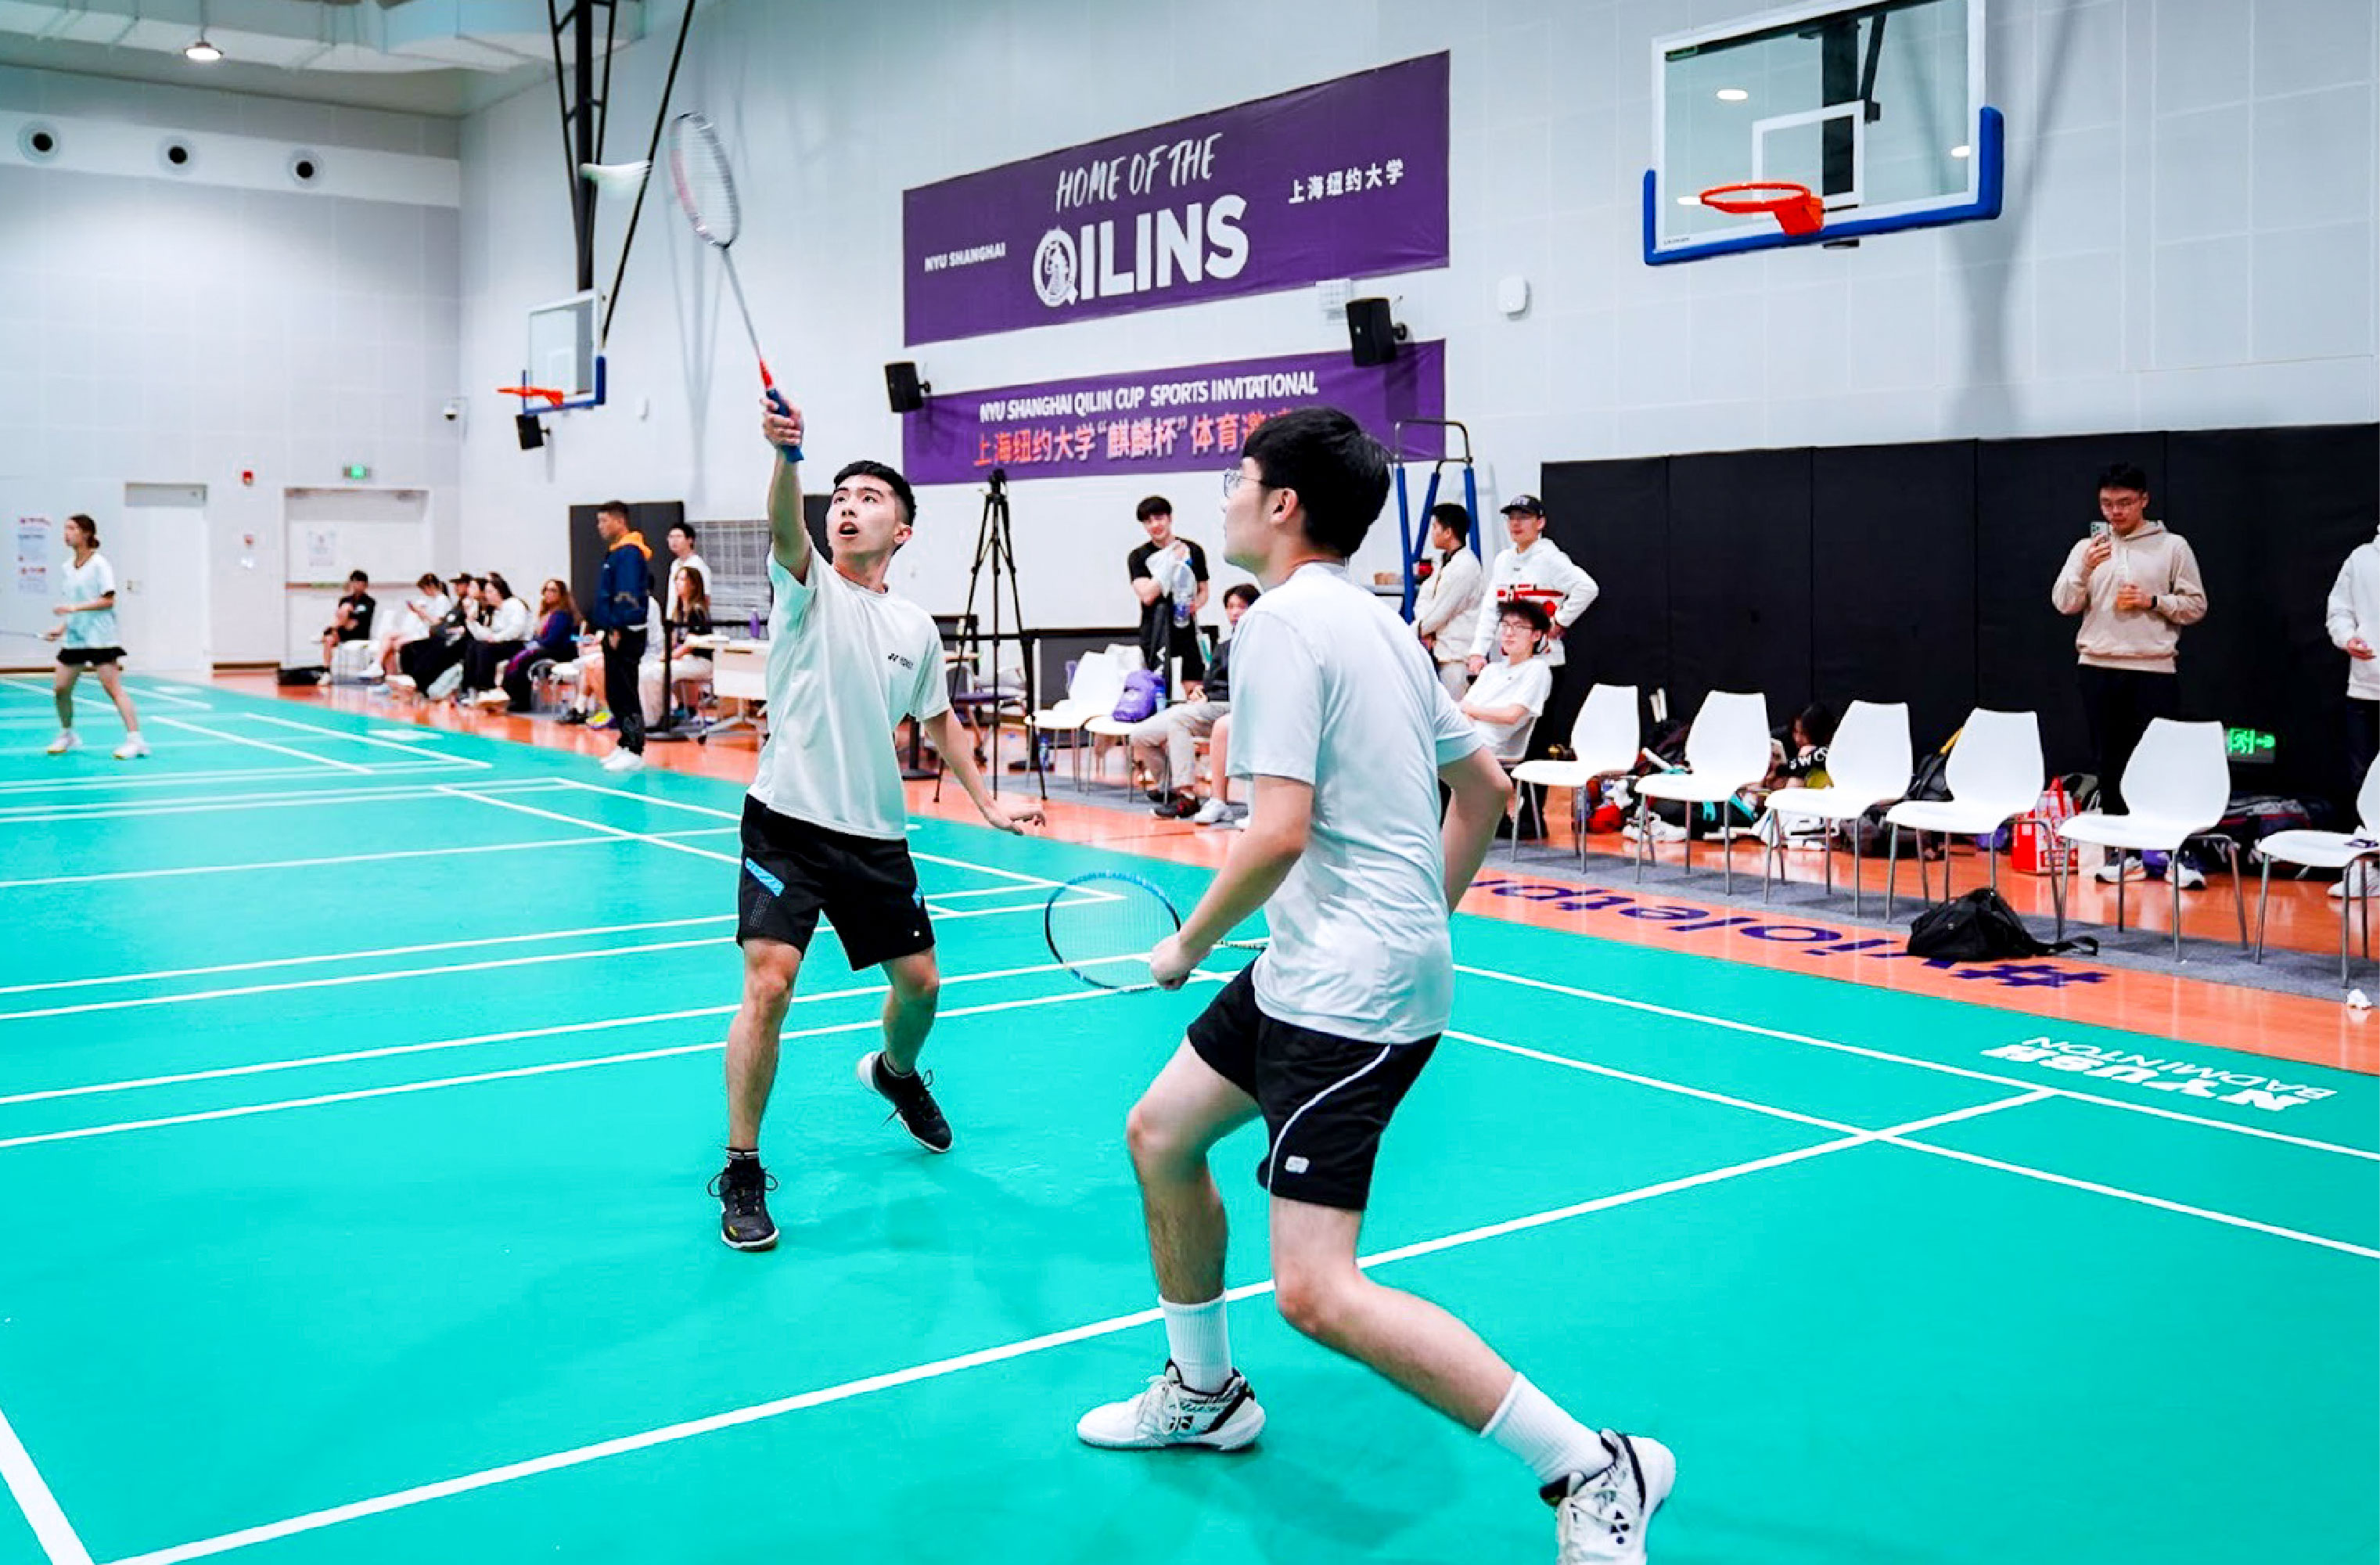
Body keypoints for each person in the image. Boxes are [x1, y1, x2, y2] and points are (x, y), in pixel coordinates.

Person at [1073, 408, 1671, 1564]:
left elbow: (1276, 831)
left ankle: (1595, 1467)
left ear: (1283, 503)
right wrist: (1414, 918)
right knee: (1161, 1133)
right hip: (1317, 965)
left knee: (1315, 1291)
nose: (1226, 496)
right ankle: (1204, 1393)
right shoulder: (1384, 628)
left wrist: (1185, 944)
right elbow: (1487, 791)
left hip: (1345, 997)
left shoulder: (1281, 625)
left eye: (1239, 478)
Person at [712, 395, 1044, 1254]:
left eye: (868, 497)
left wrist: (988, 802)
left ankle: (896, 1074)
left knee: (922, 986)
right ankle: (743, 1166)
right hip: (786, 823)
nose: (847, 506)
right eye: (840, 496)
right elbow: (785, 526)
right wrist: (787, 457)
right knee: (771, 984)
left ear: (902, 530)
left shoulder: (914, 626)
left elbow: (941, 721)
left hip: (874, 837)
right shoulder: (807, 586)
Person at [2051, 462, 2208, 887]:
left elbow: (2196, 605)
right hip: (2097, 666)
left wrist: (2154, 600)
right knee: (2111, 764)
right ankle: (2125, 855)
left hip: (2153, 667)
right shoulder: (2088, 547)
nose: (2115, 512)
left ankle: (2174, 855)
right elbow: (2063, 603)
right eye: (2107, 504)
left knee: (2162, 763)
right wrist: (2084, 568)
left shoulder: (2172, 546)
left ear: (2144, 500)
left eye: (2124, 503)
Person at [1133, 582, 1258, 819]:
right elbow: (1210, 683)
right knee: (1140, 735)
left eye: (1242, 607)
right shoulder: (1223, 647)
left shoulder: (1260, 645)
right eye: (1230, 606)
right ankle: (1169, 788)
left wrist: (1210, 697)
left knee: (1180, 720)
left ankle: (1187, 797)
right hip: (1209, 706)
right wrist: (1199, 692)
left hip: (1233, 707)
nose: (1235, 612)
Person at [41, 513, 146, 759]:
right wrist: (61, 628)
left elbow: (108, 600)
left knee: (112, 688)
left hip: (100, 638)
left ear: (86, 533)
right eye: (65, 529)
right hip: (75, 637)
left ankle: (136, 740)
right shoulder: (67, 567)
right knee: (61, 689)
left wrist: (73, 609)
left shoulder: (100, 564)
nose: (66, 534)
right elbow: (74, 603)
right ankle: (68, 734)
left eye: (72, 529)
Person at [1466, 495, 1598, 678]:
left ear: (1540, 523)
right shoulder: (1503, 560)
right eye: (1511, 518)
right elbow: (1491, 609)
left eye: (1524, 517)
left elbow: (1587, 588)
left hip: (1545, 661)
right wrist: (1478, 651)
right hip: (1510, 661)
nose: (1516, 523)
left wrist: (1560, 621)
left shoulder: (1550, 558)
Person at [2324, 523, 2380, 898]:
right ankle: (2370, 866)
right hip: (2366, 688)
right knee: (2364, 782)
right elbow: (2339, 611)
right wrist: (2348, 638)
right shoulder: (2361, 559)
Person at [586, 503, 653, 772]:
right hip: (613, 631)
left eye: (604, 521)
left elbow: (626, 594)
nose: (600, 527)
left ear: (619, 521)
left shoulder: (630, 553)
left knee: (626, 691)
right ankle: (625, 743)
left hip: (625, 633)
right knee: (615, 692)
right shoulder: (616, 552)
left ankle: (635, 749)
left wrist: (617, 628)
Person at [1128, 495, 1209, 694]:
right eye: (1148, 521)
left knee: (1195, 689)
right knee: (1157, 689)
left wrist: (1195, 605)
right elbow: (1147, 595)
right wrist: (1171, 562)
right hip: (1155, 631)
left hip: (1186, 629)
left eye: (1159, 518)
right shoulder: (1138, 556)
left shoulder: (1193, 550)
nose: (1155, 525)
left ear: (1170, 518)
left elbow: (1204, 591)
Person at [1460, 599, 1555, 764]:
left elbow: (1511, 715)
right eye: (1505, 626)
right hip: (1465, 731)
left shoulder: (1537, 669)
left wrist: (1471, 712)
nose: (1509, 633)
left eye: (1518, 627)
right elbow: (1464, 706)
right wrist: (1466, 714)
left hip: (1486, 743)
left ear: (1536, 635)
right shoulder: (1491, 670)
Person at [1411, 502, 1483, 698]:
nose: (1432, 532)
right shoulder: (1443, 562)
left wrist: (1417, 630)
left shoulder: (1465, 566)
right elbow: (1425, 597)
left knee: (1456, 710)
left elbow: (1441, 611)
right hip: (1441, 653)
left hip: (1458, 658)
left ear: (1448, 533)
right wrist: (1424, 629)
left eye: (1436, 527)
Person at [642, 567, 716, 726]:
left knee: (656, 673)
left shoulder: (697, 611)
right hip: (685, 659)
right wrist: (664, 654)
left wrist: (669, 657)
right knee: (645, 670)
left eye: (682, 579)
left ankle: (657, 719)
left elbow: (690, 645)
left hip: (700, 661)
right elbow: (674, 641)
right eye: (676, 579)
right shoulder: (679, 611)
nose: (677, 583)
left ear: (693, 585)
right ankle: (650, 716)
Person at [495, 579, 580, 711]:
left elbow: (553, 640)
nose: (548, 593)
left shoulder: (562, 615)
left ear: (561, 594)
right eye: (546, 590)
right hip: (545, 648)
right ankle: (509, 696)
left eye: (553, 590)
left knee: (526, 660)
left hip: (559, 651)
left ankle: (521, 701)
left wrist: (536, 644)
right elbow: (536, 636)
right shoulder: (545, 614)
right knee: (518, 657)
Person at [461, 573, 530, 700]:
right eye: (486, 592)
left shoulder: (514, 604)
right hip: (500, 643)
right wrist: (471, 622)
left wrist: (496, 638)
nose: (487, 595)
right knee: (473, 645)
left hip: (517, 644)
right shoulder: (494, 611)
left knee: (485, 649)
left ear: (500, 591)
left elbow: (516, 629)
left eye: (490, 592)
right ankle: (470, 688)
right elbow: (485, 635)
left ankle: (486, 688)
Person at [375, 573, 451, 680]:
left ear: (431, 586)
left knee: (394, 644)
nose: (424, 592)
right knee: (388, 635)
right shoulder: (432, 600)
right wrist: (417, 612)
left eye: (424, 589)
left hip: (428, 635)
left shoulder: (442, 600)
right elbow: (427, 620)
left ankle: (391, 676)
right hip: (421, 631)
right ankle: (378, 665)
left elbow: (437, 622)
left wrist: (422, 612)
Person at [320, 570, 376, 664]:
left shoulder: (370, 602)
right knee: (328, 640)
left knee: (346, 610)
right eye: (354, 582)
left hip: (359, 633)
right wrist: (347, 617)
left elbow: (359, 620)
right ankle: (327, 669)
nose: (356, 585)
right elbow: (340, 616)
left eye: (359, 582)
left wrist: (349, 614)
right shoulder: (345, 600)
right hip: (342, 632)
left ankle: (331, 629)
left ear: (365, 585)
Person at [666, 520, 710, 606]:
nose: (674, 541)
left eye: (678, 537)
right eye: (671, 537)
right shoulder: (675, 564)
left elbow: (706, 597)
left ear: (690, 540)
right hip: (674, 612)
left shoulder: (697, 565)